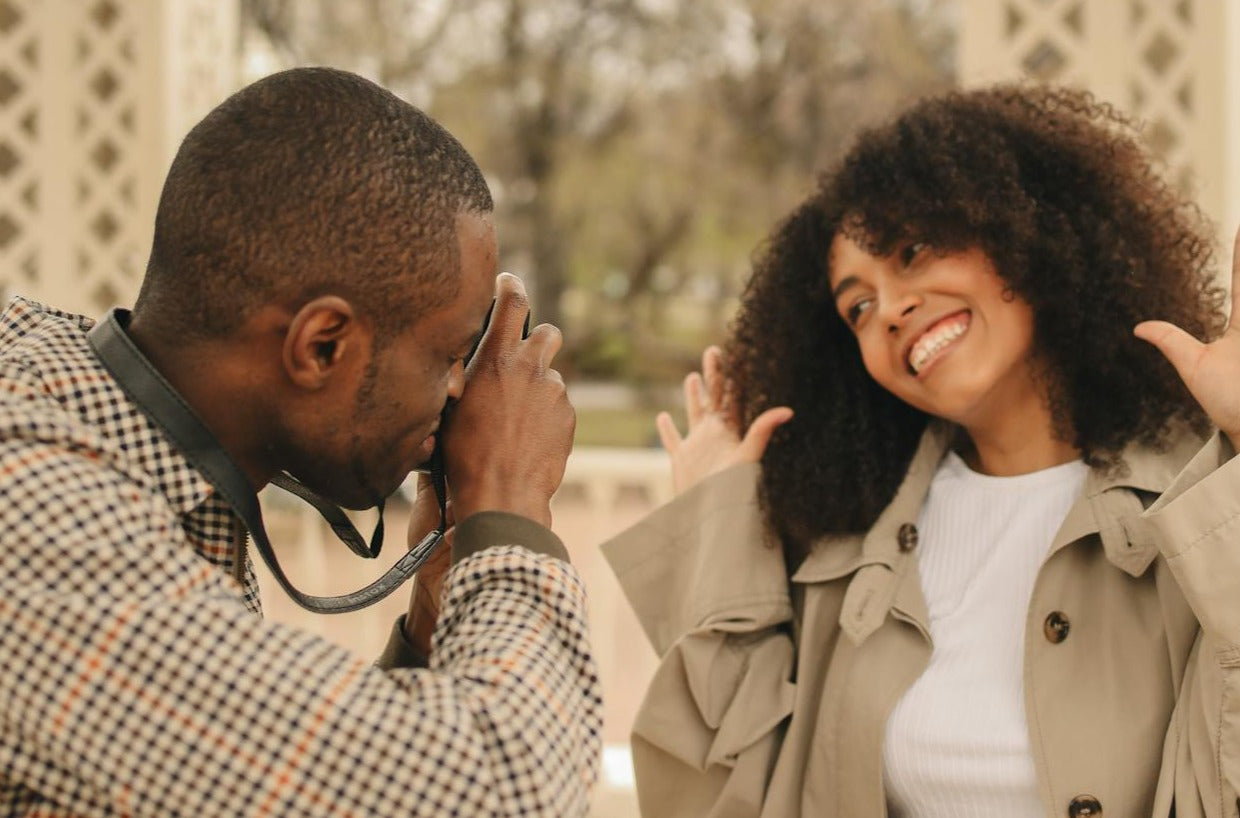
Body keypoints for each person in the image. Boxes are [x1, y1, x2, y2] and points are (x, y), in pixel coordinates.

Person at [603, 84, 1240, 817]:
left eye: (914, 251)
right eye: (858, 307)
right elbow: (716, 798)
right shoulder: (845, 559)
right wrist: (717, 521)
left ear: (1021, 232)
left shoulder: (1201, 504)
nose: (893, 310)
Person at [0, 67, 601, 816]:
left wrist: (434, 616)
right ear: (321, 346)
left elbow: (263, 789)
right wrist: (507, 503)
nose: (462, 395)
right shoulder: (39, 519)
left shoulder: (115, 438)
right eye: (450, 356)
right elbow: (504, 798)